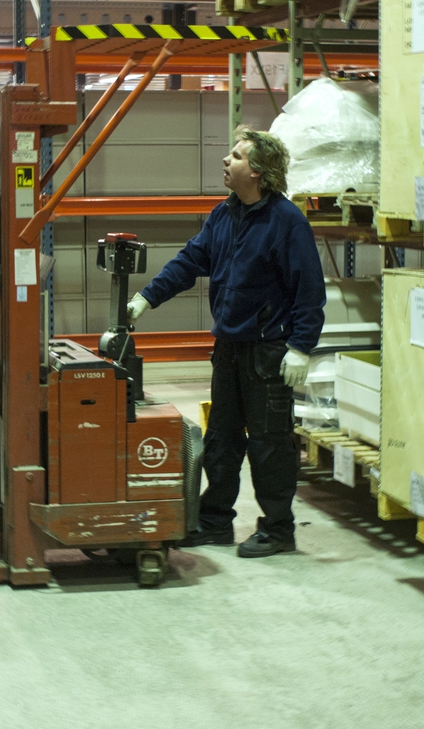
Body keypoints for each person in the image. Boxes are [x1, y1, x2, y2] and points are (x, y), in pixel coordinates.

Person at [127, 127, 326, 558]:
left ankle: (278, 530)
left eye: (236, 156)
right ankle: (215, 521)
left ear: (257, 172)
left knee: (269, 445)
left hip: (268, 353)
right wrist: (146, 298)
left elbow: (309, 290)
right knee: (221, 439)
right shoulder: (224, 215)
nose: (225, 160)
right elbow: (189, 261)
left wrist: (301, 347)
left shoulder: (287, 222)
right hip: (230, 348)